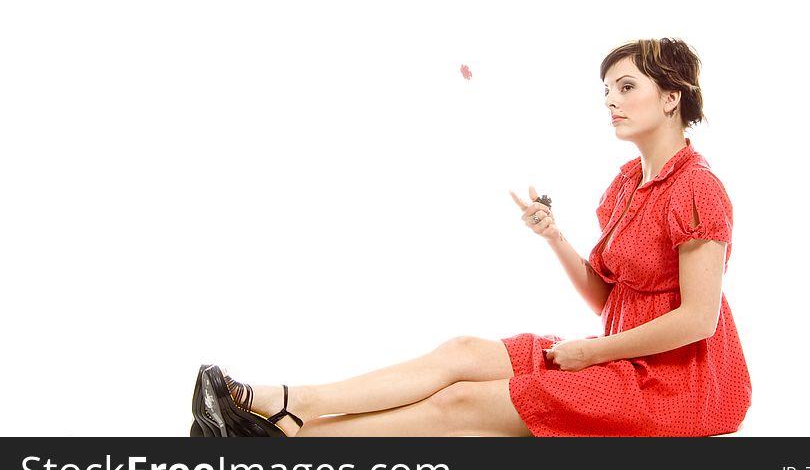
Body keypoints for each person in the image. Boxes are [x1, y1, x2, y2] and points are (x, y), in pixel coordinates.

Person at [191, 37, 752, 437]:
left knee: (462, 402)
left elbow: (697, 320)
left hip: (684, 386)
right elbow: (610, 300)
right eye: (606, 89)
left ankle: (288, 443)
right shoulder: (628, 185)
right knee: (460, 352)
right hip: (621, 357)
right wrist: (556, 239)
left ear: (672, 96)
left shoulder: (698, 189)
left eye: (627, 87)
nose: (610, 100)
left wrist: (590, 352)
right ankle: (287, 402)